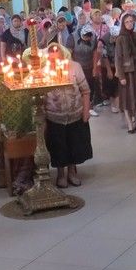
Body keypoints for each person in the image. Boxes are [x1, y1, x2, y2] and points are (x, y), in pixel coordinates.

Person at [44, 43, 92, 188]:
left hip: (75, 115)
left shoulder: (74, 67)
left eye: (58, 58)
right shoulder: (43, 71)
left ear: (63, 55)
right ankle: (60, 174)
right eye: (52, 59)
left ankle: (72, 172)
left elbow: (85, 91)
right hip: (54, 118)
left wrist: (86, 111)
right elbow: (40, 97)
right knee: (58, 147)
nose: (55, 62)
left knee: (74, 145)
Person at [114, 12, 136, 133]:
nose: (129, 24)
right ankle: (129, 123)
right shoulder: (120, 38)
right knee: (127, 98)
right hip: (126, 72)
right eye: (126, 22)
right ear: (123, 23)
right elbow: (118, 58)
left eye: (131, 21)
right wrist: (121, 75)